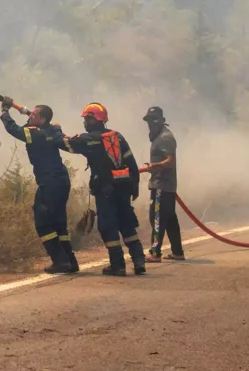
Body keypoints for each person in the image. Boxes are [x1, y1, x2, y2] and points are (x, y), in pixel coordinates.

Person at [55, 103, 147, 276]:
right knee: (127, 224)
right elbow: (132, 164)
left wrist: (55, 130)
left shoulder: (90, 139)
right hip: (125, 188)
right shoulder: (117, 136)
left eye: (86, 119)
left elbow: (65, 143)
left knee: (107, 226)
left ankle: (117, 265)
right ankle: (139, 260)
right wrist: (135, 187)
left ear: (92, 119)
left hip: (106, 190)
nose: (84, 123)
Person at [0, 97, 78, 274]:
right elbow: (40, 125)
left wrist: (5, 111)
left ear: (42, 119)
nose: (30, 115)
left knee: (43, 221)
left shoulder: (35, 133)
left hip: (49, 183)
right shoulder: (51, 129)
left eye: (34, 114)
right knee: (59, 222)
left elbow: (14, 129)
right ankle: (70, 261)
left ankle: (59, 261)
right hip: (61, 180)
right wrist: (26, 113)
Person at [142, 106, 184, 262]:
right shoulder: (158, 136)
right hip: (163, 184)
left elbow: (170, 161)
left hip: (162, 185)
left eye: (155, 120)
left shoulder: (165, 137)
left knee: (157, 217)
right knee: (170, 218)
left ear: (162, 121)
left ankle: (154, 252)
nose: (151, 123)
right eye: (149, 120)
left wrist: (155, 166)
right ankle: (178, 252)